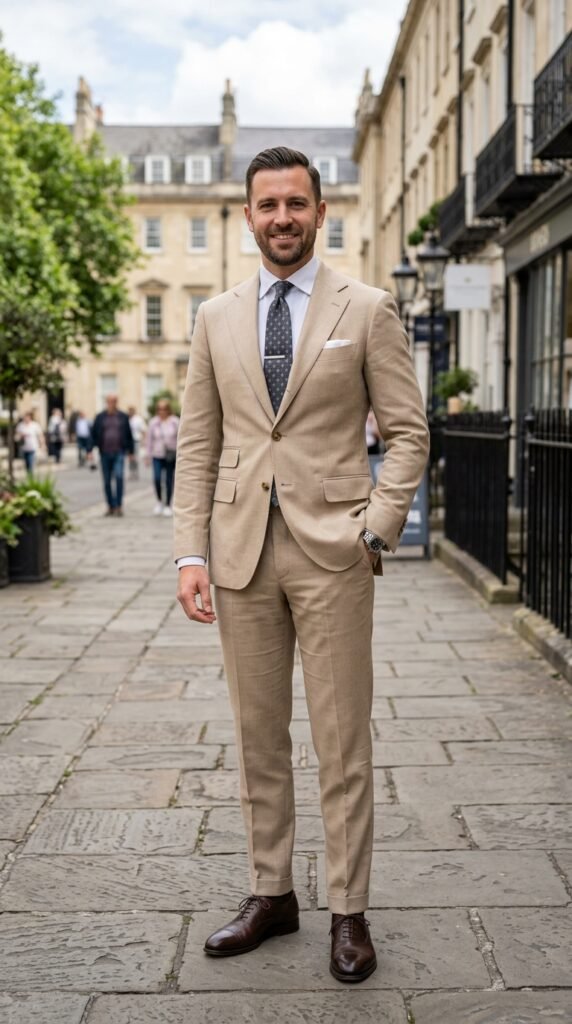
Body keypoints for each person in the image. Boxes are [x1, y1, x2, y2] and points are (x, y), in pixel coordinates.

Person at [174, 148, 429, 983]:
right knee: (257, 738)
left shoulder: (370, 307)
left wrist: (376, 530)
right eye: (266, 205)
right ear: (246, 216)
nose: (281, 217)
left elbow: (408, 433)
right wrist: (189, 551)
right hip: (240, 550)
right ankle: (271, 894)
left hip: (335, 553)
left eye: (296, 203)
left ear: (321, 212)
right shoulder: (213, 316)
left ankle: (348, 909)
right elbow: (200, 445)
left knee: (340, 738)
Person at [91, 395, 134, 516]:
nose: (111, 403)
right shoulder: (100, 417)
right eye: (109, 401)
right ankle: (110, 505)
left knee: (119, 477)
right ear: (106, 402)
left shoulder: (123, 416)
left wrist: (131, 452)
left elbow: (128, 435)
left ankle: (119, 505)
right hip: (104, 452)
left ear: (117, 402)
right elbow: (94, 434)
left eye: (114, 401)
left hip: (119, 452)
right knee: (107, 481)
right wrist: (89, 451)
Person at [145, 399, 179, 517]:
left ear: (168, 409)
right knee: (157, 478)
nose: (162, 411)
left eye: (164, 408)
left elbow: (180, 438)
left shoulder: (175, 421)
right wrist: (147, 455)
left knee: (169, 480)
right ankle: (159, 501)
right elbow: (149, 440)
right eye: (159, 409)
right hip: (157, 454)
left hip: (170, 455)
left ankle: (168, 505)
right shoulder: (153, 422)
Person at [128, 405, 147, 480]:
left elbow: (143, 430)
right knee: (130, 458)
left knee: (135, 457)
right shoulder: (128, 419)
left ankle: (135, 472)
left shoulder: (138, 419)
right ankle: (131, 472)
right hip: (129, 441)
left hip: (136, 440)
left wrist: (143, 441)